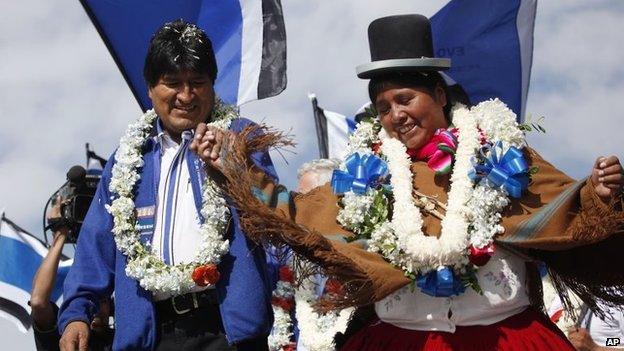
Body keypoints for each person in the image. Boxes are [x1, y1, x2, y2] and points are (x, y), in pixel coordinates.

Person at [194, 14, 624, 350]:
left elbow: (562, 205)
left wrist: (597, 193)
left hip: (505, 338)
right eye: (383, 107)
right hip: (400, 338)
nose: (395, 115)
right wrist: (232, 164)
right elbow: (297, 213)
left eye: (405, 99)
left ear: (439, 95)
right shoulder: (364, 175)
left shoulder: (502, 154)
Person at [58, 20, 278, 351]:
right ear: (150, 88)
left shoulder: (241, 136)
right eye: (172, 83)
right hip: (150, 337)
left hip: (227, 330)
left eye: (197, 83)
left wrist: (235, 165)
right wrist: (76, 313)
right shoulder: (128, 159)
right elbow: (95, 244)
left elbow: (275, 214)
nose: (185, 96)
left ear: (213, 85)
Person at [31, 198, 113, 351]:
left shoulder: (123, 339)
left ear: (110, 306)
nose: (92, 306)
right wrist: (61, 234)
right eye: (84, 297)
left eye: (99, 299)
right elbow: (38, 302)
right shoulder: (64, 336)